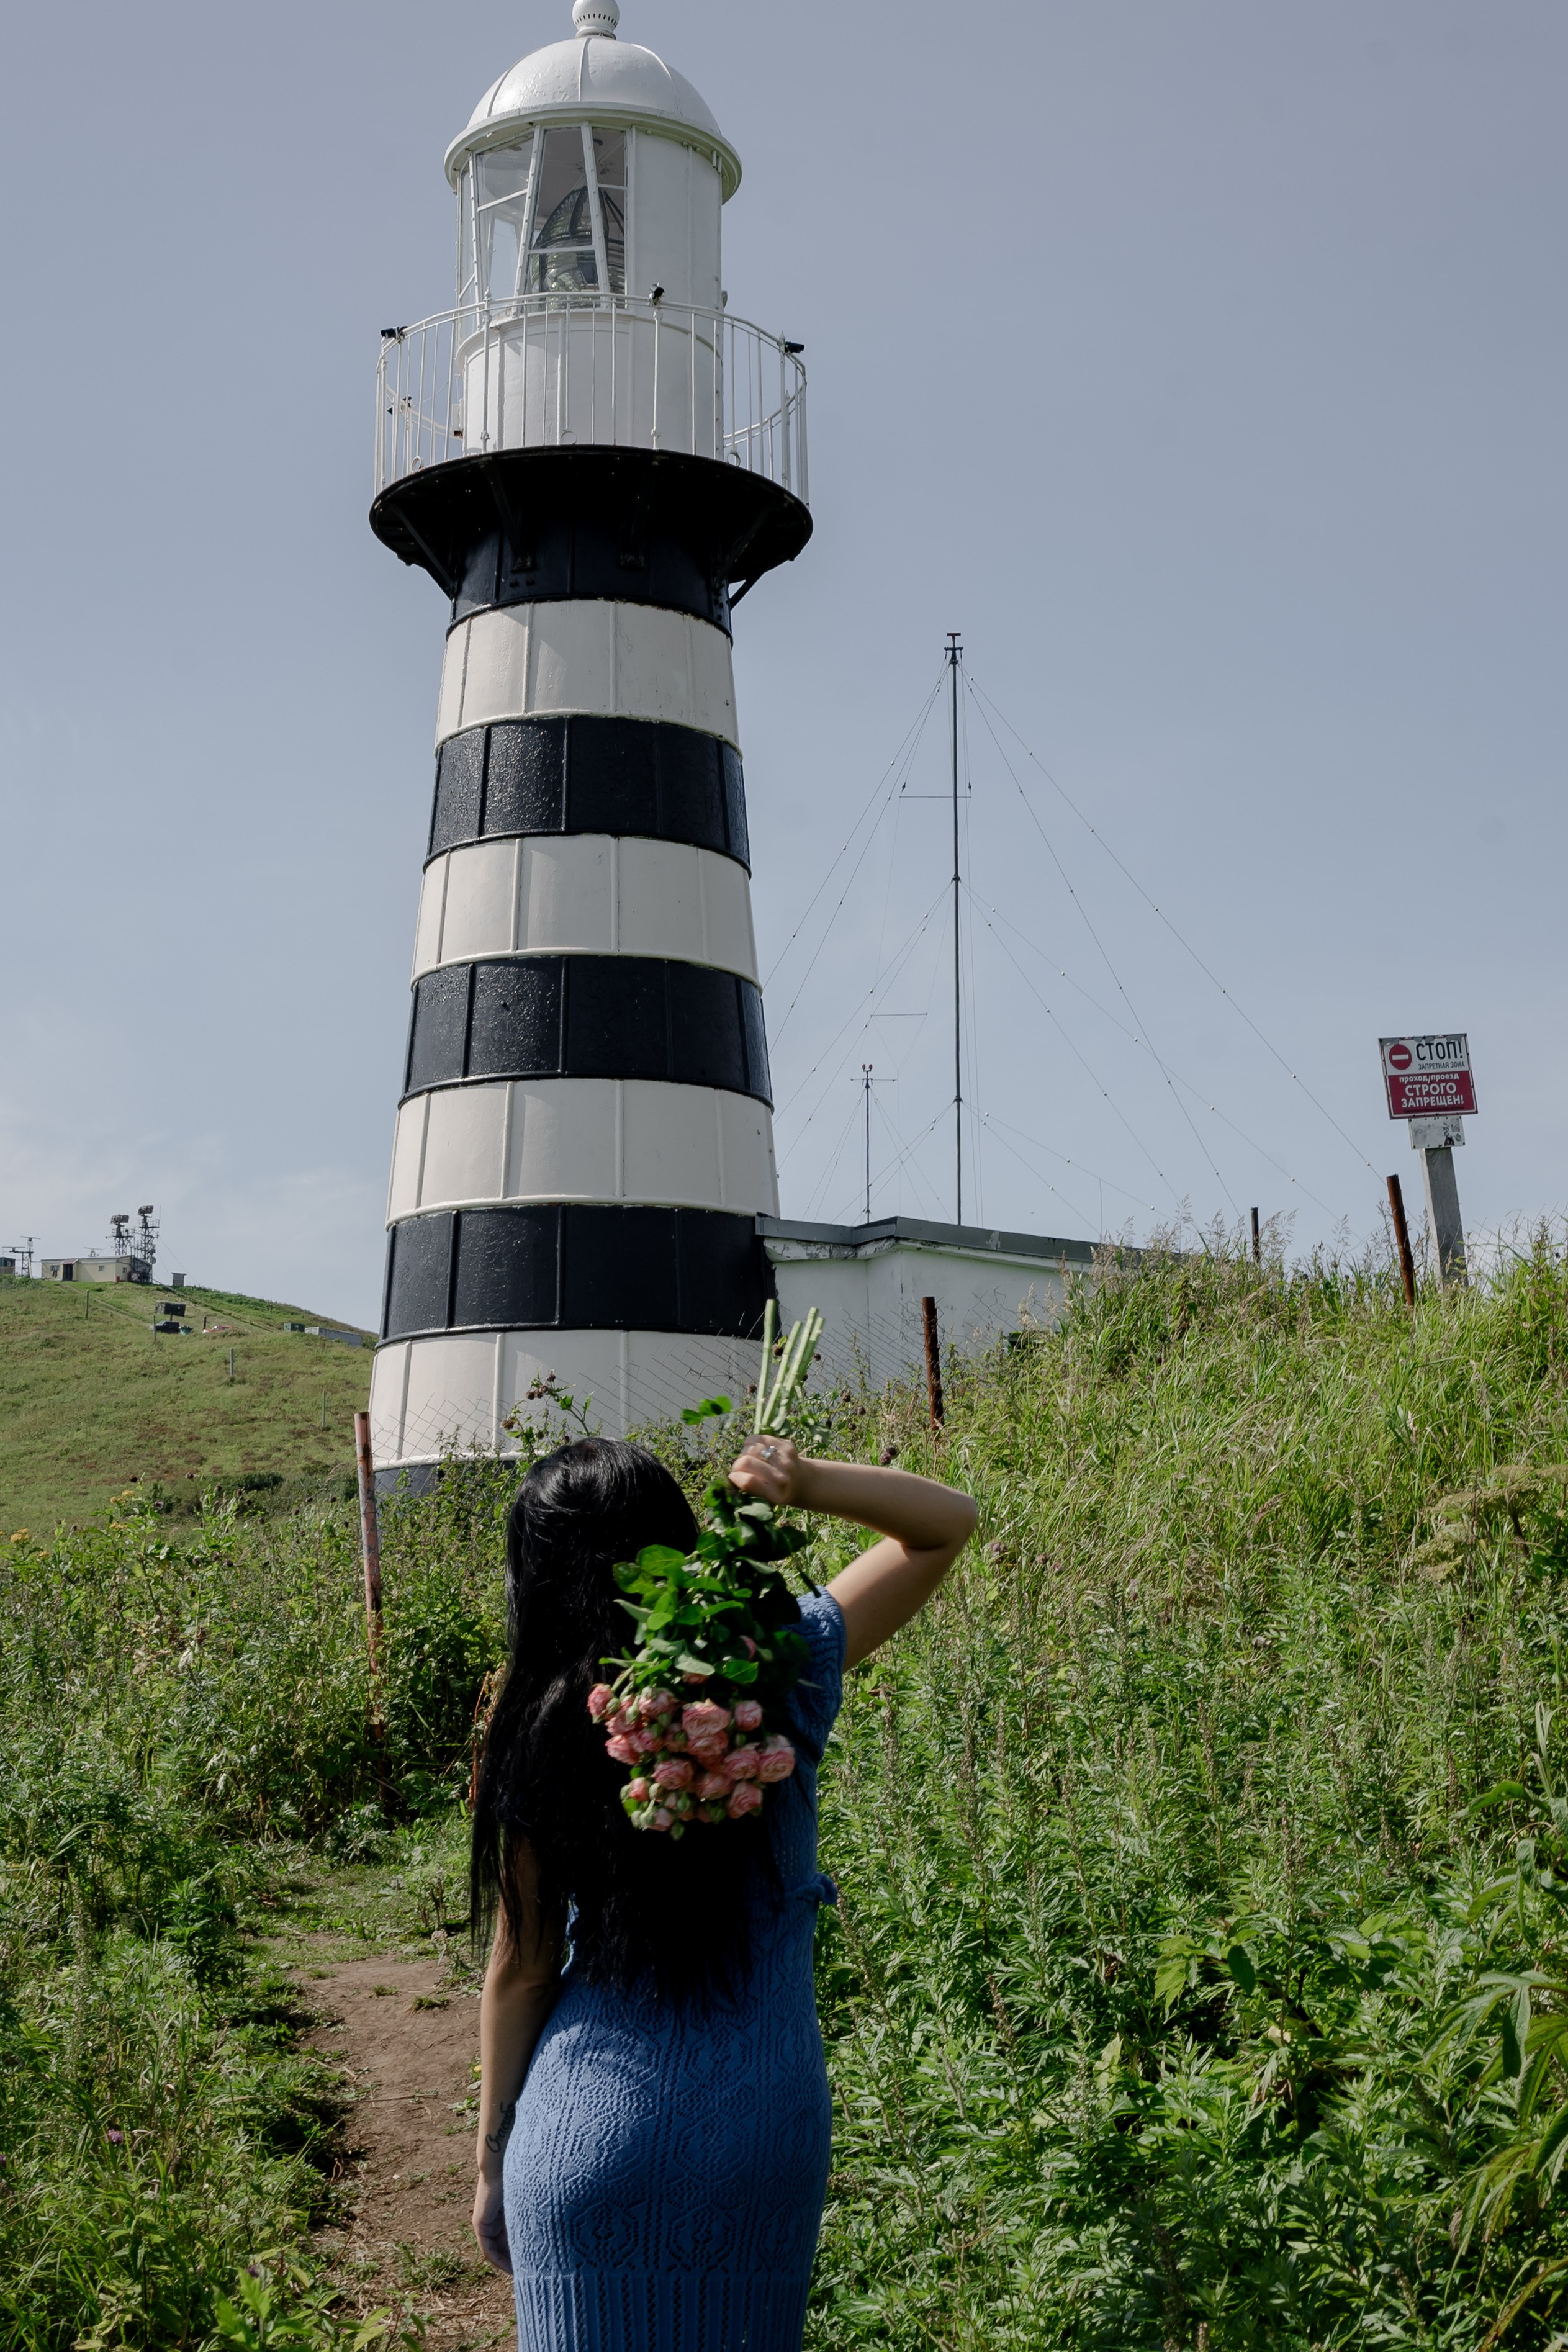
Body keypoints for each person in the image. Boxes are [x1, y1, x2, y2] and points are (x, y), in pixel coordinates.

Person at [469, 1430, 977, 2351]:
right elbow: (944, 1525)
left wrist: (492, 2154)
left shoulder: (541, 1717)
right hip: (757, 2128)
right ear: (679, 1539)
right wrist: (803, 1480)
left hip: (581, 2135)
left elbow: (524, 1971)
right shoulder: (774, 1667)